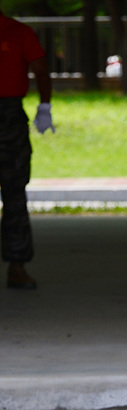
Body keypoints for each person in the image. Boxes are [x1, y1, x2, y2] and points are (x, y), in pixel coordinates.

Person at [0, 7, 53, 290]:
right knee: (14, 192)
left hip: (8, 115)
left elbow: (41, 70)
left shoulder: (18, 32)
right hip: (9, 115)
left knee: (14, 190)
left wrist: (44, 106)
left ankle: (17, 265)